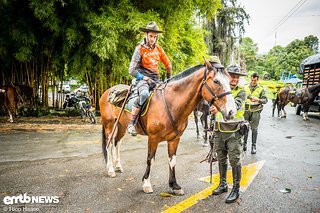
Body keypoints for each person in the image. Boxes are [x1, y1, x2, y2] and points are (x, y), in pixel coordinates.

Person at [127, 21, 172, 136]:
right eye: (151, 36)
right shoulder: (139, 49)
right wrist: (144, 78)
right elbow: (131, 70)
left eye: (155, 37)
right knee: (144, 95)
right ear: (146, 35)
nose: (152, 39)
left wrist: (169, 80)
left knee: (169, 95)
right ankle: (131, 123)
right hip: (142, 78)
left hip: (156, 78)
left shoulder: (159, 49)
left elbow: (168, 65)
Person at [210, 64, 246, 203]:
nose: (235, 79)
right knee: (221, 159)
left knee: (235, 161)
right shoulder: (220, 90)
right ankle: (223, 184)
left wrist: (217, 109)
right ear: (227, 76)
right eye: (232, 76)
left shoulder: (241, 92)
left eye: (237, 77)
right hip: (219, 130)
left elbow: (235, 106)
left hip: (234, 132)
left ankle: (236, 189)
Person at [243, 73, 268, 154]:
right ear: (250, 78)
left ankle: (253, 146)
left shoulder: (261, 89)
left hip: (255, 111)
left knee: (254, 129)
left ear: (258, 80)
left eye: (255, 80)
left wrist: (258, 99)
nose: (253, 82)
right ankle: (244, 144)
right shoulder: (245, 87)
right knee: (244, 128)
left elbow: (265, 100)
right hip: (246, 111)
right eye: (252, 80)